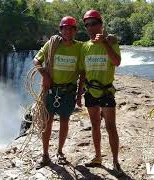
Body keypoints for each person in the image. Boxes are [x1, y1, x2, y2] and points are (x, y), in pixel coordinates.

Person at [33, 16, 83, 169]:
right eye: (65, 28)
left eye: (71, 28)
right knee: (47, 122)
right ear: (60, 30)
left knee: (64, 121)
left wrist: (80, 93)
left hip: (68, 91)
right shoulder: (52, 44)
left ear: (75, 31)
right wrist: (45, 75)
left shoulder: (80, 48)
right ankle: (45, 154)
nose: (68, 31)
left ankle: (60, 152)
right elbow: (36, 60)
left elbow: (83, 72)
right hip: (50, 90)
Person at [77, 9, 123, 174]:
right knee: (95, 125)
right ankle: (97, 157)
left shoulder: (111, 42)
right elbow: (82, 72)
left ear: (101, 25)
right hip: (90, 91)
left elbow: (116, 62)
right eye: (87, 25)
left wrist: (105, 43)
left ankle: (116, 162)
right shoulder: (84, 47)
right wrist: (78, 94)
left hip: (106, 92)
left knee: (111, 127)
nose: (90, 27)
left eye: (94, 24)